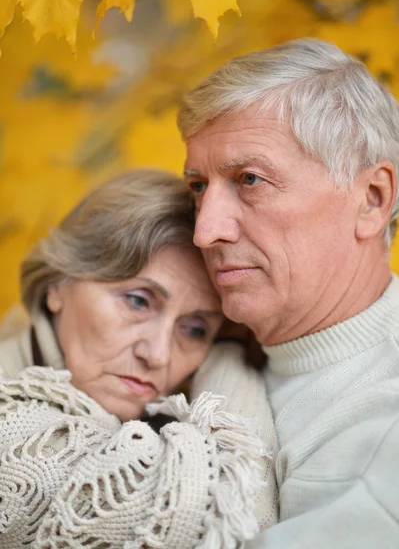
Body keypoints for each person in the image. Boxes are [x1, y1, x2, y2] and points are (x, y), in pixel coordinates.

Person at [178, 38, 399, 548]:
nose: (205, 231)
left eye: (250, 179)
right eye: (197, 187)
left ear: (372, 200)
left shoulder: (382, 431)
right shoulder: (190, 343)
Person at [0, 169, 277, 548]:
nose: (158, 354)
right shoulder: (14, 431)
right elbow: (235, 512)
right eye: (137, 301)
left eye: (196, 329)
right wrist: (230, 355)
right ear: (57, 284)